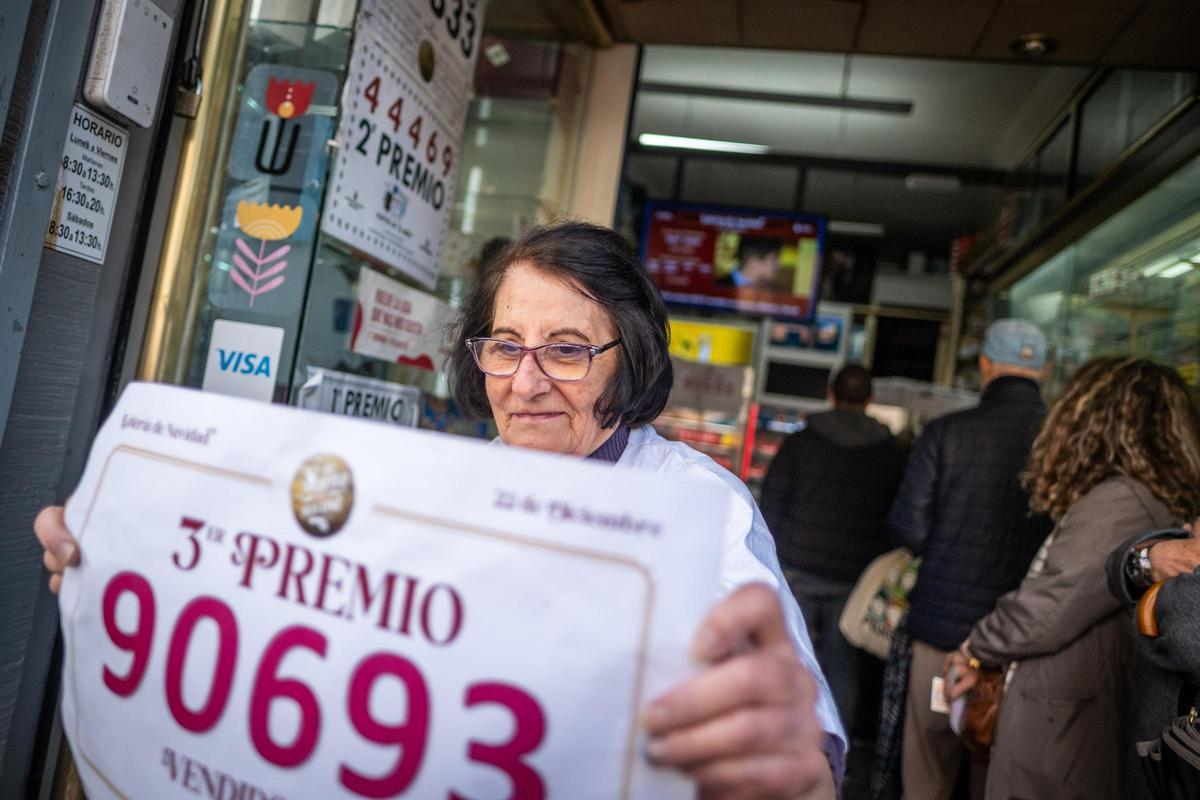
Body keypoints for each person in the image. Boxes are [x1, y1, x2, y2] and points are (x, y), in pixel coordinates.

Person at [37, 221, 843, 799]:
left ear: (627, 359)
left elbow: (803, 765)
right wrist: (121, 554)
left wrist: (784, 762)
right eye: (506, 346)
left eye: (566, 350)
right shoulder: (443, 487)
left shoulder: (697, 509)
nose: (526, 382)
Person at [945, 357, 1200, 800]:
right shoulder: (1153, 497)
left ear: (1091, 419)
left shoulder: (1120, 500)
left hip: (1064, 726)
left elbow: (1048, 608)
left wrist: (974, 648)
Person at [886, 318, 1052, 800]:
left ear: (984, 365)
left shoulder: (946, 433)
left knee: (928, 771)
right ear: (1044, 371)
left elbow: (908, 528)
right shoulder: (1061, 444)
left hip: (941, 633)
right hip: (1021, 643)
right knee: (996, 771)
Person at [760, 364, 906, 729]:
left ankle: (782, 738)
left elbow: (771, 502)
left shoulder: (801, 443)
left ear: (830, 394)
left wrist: (776, 554)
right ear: (870, 399)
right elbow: (899, 517)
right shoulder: (892, 453)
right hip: (855, 578)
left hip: (797, 567)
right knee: (842, 667)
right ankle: (834, 747)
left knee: (791, 656)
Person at [1107, 517, 1200, 799]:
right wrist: (1150, 557)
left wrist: (1155, 599)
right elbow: (1117, 565)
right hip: (1164, 760)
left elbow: (1188, 634)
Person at [716, 235, 782, 289]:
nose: (779, 265)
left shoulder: (772, 290)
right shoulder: (719, 287)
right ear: (753, 261)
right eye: (774, 259)